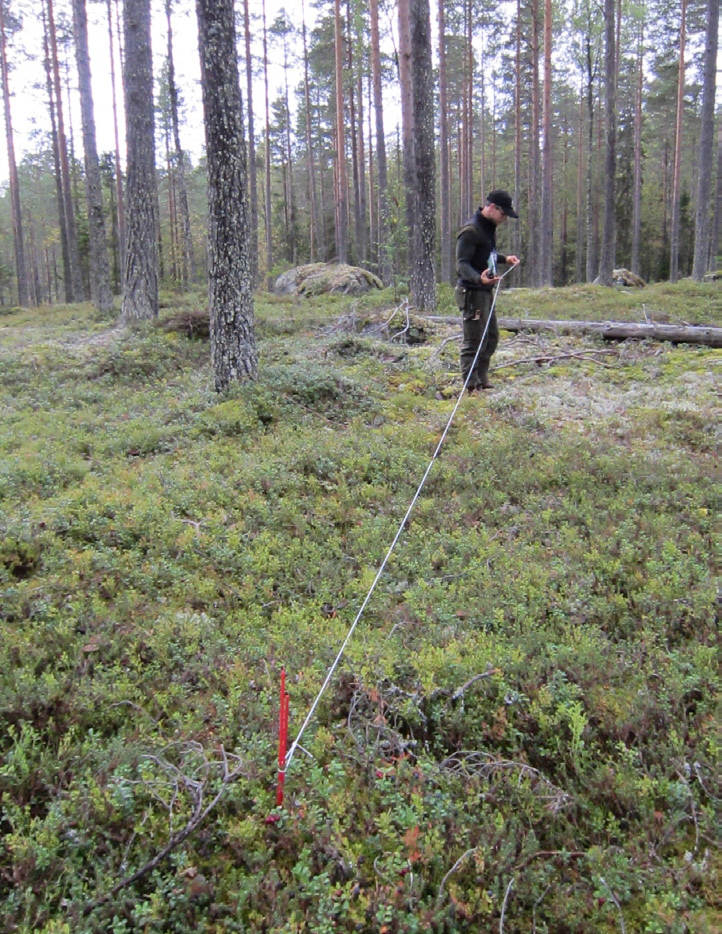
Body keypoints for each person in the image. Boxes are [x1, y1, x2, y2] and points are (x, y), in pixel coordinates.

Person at [455, 190, 521, 390]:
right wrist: (479, 278)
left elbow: (486, 253)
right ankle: (470, 386)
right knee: (474, 340)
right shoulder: (470, 231)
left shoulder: (488, 227)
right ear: (492, 207)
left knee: (491, 337)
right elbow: (462, 264)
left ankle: (482, 379)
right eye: (504, 214)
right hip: (472, 292)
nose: (505, 219)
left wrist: (504, 259)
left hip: (484, 291)